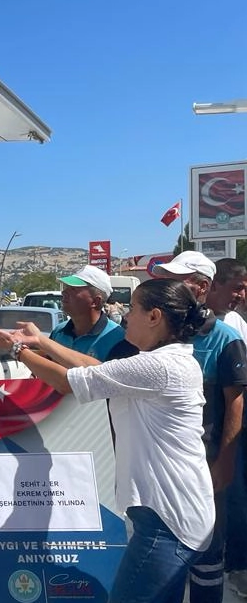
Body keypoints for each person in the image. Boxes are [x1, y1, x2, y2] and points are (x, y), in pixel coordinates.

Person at [0, 278, 215, 603]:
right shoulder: (168, 361)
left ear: (154, 316)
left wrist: (17, 350)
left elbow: (68, 382)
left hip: (167, 521)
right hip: (173, 514)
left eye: (133, 309)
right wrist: (41, 341)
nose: (126, 317)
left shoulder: (160, 366)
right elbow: (96, 368)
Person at [152, 251, 247, 603]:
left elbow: (235, 402)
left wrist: (225, 462)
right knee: (166, 551)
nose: (168, 287)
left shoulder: (224, 337)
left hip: (207, 465)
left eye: (177, 281)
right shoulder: (160, 331)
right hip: (164, 466)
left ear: (202, 287)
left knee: (208, 549)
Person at [203, 257, 247, 597]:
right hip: (207, 436)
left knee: (233, 498)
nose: (241, 295)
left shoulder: (230, 326)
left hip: (227, 433)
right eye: (236, 288)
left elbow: (236, 393)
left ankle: (235, 565)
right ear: (214, 285)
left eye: (243, 289)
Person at [48, 265, 137, 366]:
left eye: (73, 289)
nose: (64, 292)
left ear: (95, 301)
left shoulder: (119, 339)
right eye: (66, 287)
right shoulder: (59, 331)